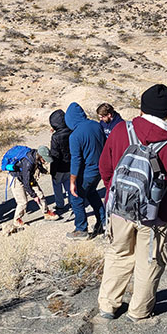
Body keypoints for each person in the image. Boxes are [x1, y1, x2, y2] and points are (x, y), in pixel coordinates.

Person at [96, 84, 167, 322]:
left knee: (118, 255)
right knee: (150, 262)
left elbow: (105, 167)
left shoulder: (122, 130)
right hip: (157, 215)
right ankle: (139, 311)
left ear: (142, 108)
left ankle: (108, 306)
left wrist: (115, 192)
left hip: (120, 210)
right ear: (166, 112)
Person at [65, 102, 107, 240]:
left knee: (76, 197)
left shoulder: (75, 136)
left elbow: (76, 160)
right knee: (92, 193)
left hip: (88, 171)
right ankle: (103, 222)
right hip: (100, 168)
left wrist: (72, 181)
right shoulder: (96, 125)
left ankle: (81, 229)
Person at [7, 146, 58, 232]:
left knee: (40, 195)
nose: (45, 161)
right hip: (16, 179)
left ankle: (46, 213)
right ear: (40, 156)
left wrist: (46, 172)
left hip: (27, 177)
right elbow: (26, 184)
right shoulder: (28, 163)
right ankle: (17, 220)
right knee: (22, 201)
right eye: (44, 159)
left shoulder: (36, 157)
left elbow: (38, 167)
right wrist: (33, 196)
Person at [48, 109, 72, 216]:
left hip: (59, 167)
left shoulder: (56, 137)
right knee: (68, 183)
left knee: (57, 186)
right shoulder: (71, 131)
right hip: (70, 165)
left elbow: (55, 155)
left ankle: (60, 205)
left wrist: (52, 170)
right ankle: (72, 202)